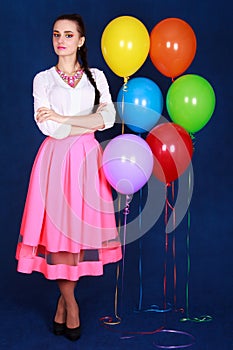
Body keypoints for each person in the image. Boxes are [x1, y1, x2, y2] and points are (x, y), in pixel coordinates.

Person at [15, 13, 122, 341]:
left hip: (88, 160)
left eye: (68, 35)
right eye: (56, 34)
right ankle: (71, 305)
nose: (61, 40)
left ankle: (63, 304)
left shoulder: (97, 77)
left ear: (81, 40)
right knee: (60, 234)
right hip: (55, 161)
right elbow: (49, 127)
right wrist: (83, 120)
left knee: (78, 233)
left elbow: (108, 117)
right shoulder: (43, 79)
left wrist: (65, 117)